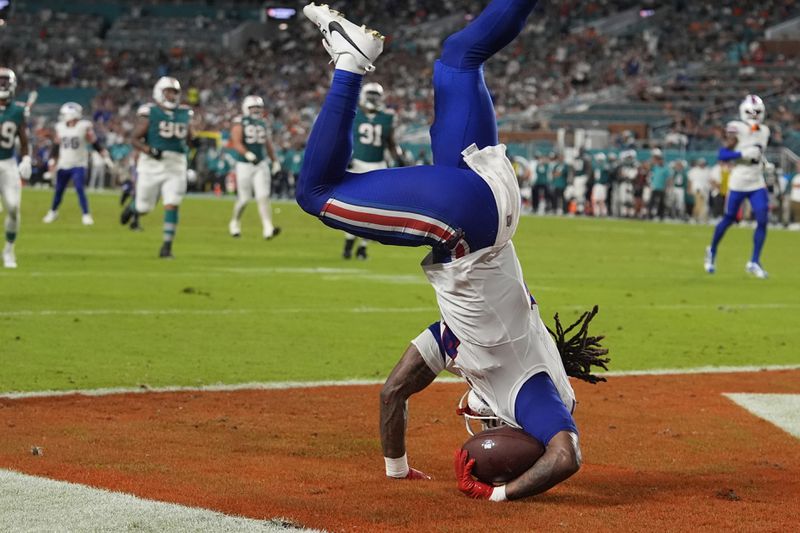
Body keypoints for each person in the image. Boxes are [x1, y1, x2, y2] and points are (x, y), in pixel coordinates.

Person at [298, 1, 608, 501]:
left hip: (492, 193)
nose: (474, 422)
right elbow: (566, 454)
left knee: (460, 58)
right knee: (315, 193)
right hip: (464, 228)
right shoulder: (527, 394)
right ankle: (351, 63)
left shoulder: (462, 341)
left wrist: (396, 468)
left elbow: (393, 391)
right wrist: (500, 495)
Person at [120, 77, 195, 259]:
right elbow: (134, 138)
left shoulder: (185, 113)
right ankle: (133, 208)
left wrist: (193, 139)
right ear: (159, 92)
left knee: (172, 203)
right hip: (152, 164)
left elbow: (190, 137)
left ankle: (167, 247)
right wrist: (149, 150)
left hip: (176, 163)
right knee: (145, 207)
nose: (171, 95)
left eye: (174, 92)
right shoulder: (150, 112)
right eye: (168, 91)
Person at [705, 95, 770, 278]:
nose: (755, 115)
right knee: (729, 218)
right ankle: (712, 250)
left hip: (757, 181)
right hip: (739, 181)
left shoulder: (764, 130)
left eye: (757, 112)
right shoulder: (737, 128)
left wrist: (763, 162)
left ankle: (754, 261)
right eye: (751, 112)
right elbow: (723, 154)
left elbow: (757, 153)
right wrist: (742, 153)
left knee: (763, 218)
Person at [342, 82, 405, 260]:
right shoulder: (355, 115)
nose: (373, 99)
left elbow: (391, 143)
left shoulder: (386, 117)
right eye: (371, 95)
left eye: (376, 96)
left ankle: (361, 247)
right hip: (358, 165)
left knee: (374, 211)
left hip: (378, 166)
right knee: (354, 209)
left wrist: (399, 158)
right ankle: (348, 245)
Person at [42, 102, 112, 226]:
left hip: (79, 163)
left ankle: (86, 214)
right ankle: (53, 211)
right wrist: (53, 161)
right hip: (63, 163)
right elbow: (56, 145)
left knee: (80, 189)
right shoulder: (60, 127)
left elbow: (94, 143)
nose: (63, 116)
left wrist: (104, 156)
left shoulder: (84, 126)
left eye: (65, 114)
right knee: (59, 190)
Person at [227, 95, 281, 240]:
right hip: (244, 164)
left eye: (258, 107)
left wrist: (275, 161)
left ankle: (268, 228)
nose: (256, 110)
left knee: (263, 196)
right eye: (253, 107)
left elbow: (268, 144)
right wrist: (248, 154)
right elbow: (236, 142)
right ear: (246, 108)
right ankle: (234, 222)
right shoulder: (240, 122)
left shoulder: (263, 123)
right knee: (244, 199)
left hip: (261, 163)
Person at [0, 68, 31, 269]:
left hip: (8, 164)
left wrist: (26, 158)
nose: (2, 85)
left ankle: (9, 249)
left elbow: (24, 139)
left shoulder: (18, 111)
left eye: (4, 81)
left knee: (13, 208)